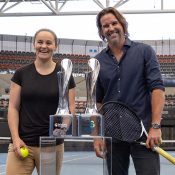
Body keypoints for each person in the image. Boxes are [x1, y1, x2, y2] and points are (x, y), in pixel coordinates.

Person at [94, 7, 165, 175]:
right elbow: (97, 102)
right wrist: (97, 135)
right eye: (105, 26)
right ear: (101, 32)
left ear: (123, 25)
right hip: (113, 135)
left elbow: (157, 89)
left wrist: (155, 125)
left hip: (144, 133)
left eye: (114, 23)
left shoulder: (145, 51)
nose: (110, 28)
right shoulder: (97, 61)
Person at [6, 28, 76, 175]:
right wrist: (16, 139)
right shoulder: (21, 73)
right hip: (22, 144)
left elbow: (70, 108)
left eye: (49, 43)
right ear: (34, 45)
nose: (44, 46)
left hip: (51, 146)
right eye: (40, 42)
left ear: (55, 46)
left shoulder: (65, 75)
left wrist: (61, 131)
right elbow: (13, 108)